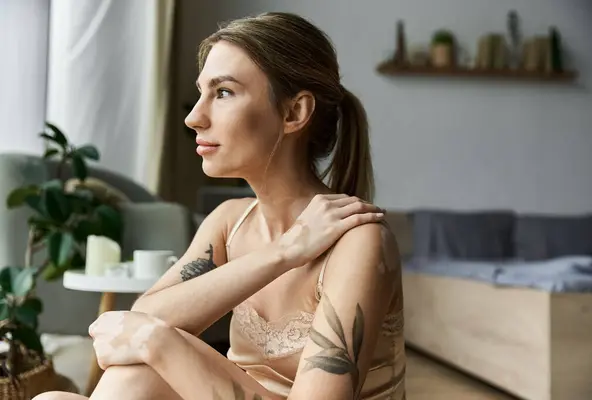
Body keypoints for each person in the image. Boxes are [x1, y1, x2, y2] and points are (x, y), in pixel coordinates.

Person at [36, 11, 406, 400]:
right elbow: (135, 326)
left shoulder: (359, 242)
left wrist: (159, 342)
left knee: (143, 356)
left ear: (294, 112)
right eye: (201, 92)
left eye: (223, 92)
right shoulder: (230, 222)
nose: (194, 117)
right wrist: (284, 252)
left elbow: (142, 331)